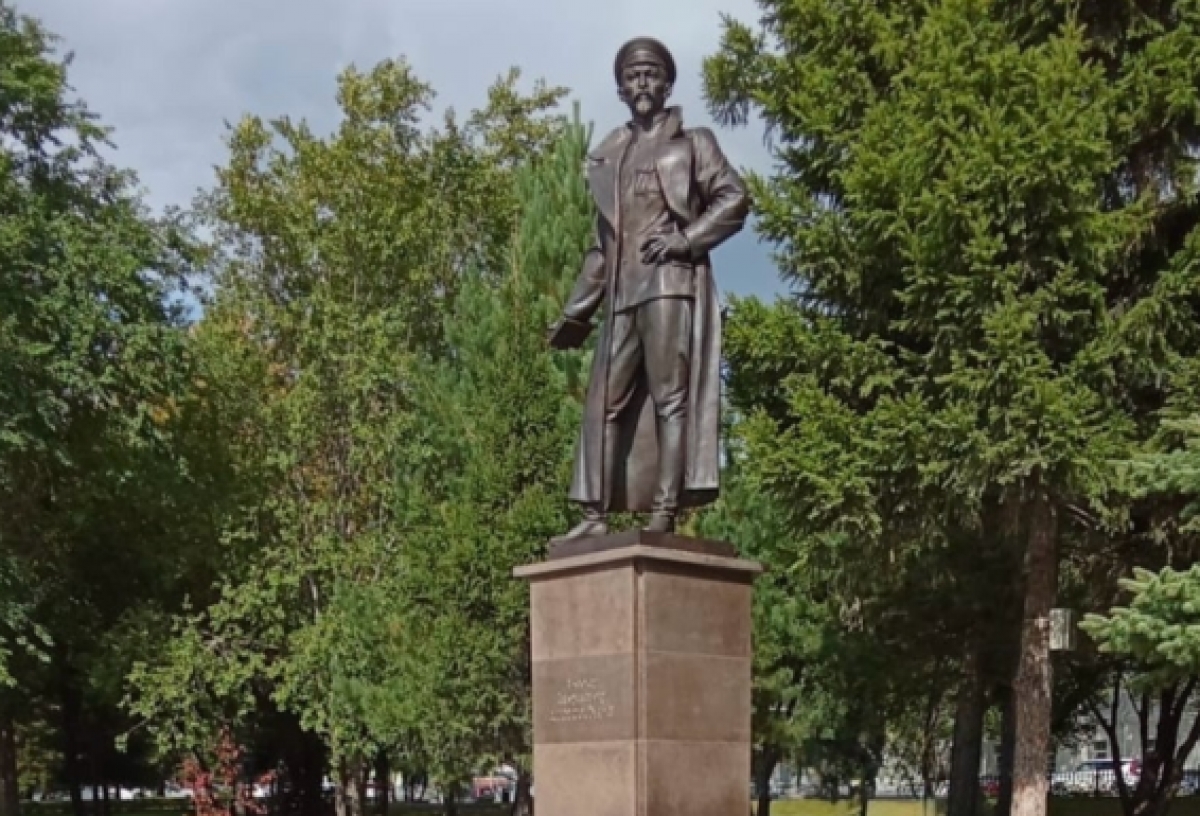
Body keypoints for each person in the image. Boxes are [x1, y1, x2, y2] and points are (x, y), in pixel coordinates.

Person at [548, 36, 749, 539]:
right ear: (621, 89)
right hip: (622, 295)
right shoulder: (611, 157)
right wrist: (577, 311)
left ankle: (665, 510)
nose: (642, 83)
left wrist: (686, 240)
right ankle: (594, 516)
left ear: (667, 84)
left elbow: (734, 198)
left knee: (669, 399)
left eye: (651, 73)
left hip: (669, 287)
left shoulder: (693, 143)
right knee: (603, 402)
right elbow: (601, 248)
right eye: (632, 76)